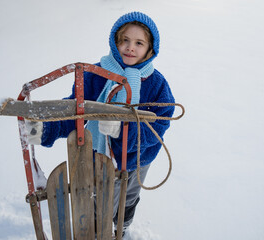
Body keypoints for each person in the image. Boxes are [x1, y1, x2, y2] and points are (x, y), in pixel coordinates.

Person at [26, 11, 175, 237]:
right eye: (124, 40)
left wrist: (125, 129)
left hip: (138, 158)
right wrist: (47, 129)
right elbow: (75, 110)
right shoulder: (97, 74)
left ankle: (121, 227)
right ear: (115, 42)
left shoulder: (157, 84)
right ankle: (98, 231)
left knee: (129, 196)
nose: (130, 47)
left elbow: (159, 125)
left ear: (150, 49)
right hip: (100, 154)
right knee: (100, 197)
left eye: (138, 42)